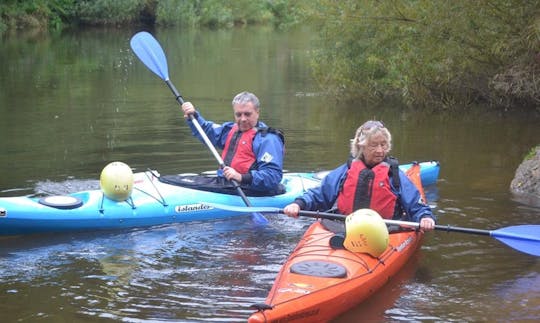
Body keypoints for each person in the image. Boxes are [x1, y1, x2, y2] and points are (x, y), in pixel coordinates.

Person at [283, 120, 436, 231]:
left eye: (383, 144)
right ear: (360, 146)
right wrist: (299, 204)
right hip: (345, 228)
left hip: (385, 231)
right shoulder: (346, 171)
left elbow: (416, 204)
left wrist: (425, 218)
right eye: (373, 145)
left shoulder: (394, 175)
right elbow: (319, 194)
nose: (380, 150)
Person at [181, 91, 285, 196]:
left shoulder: (268, 139)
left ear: (257, 112)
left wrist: (240, 177)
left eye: (247, 114)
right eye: (238, 114)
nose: (243, 119)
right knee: (178, 180)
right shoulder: (231, 130)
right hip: (227, 184)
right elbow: (206, 131)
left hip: (252, 189)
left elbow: (273, 176)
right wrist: (193, 116)